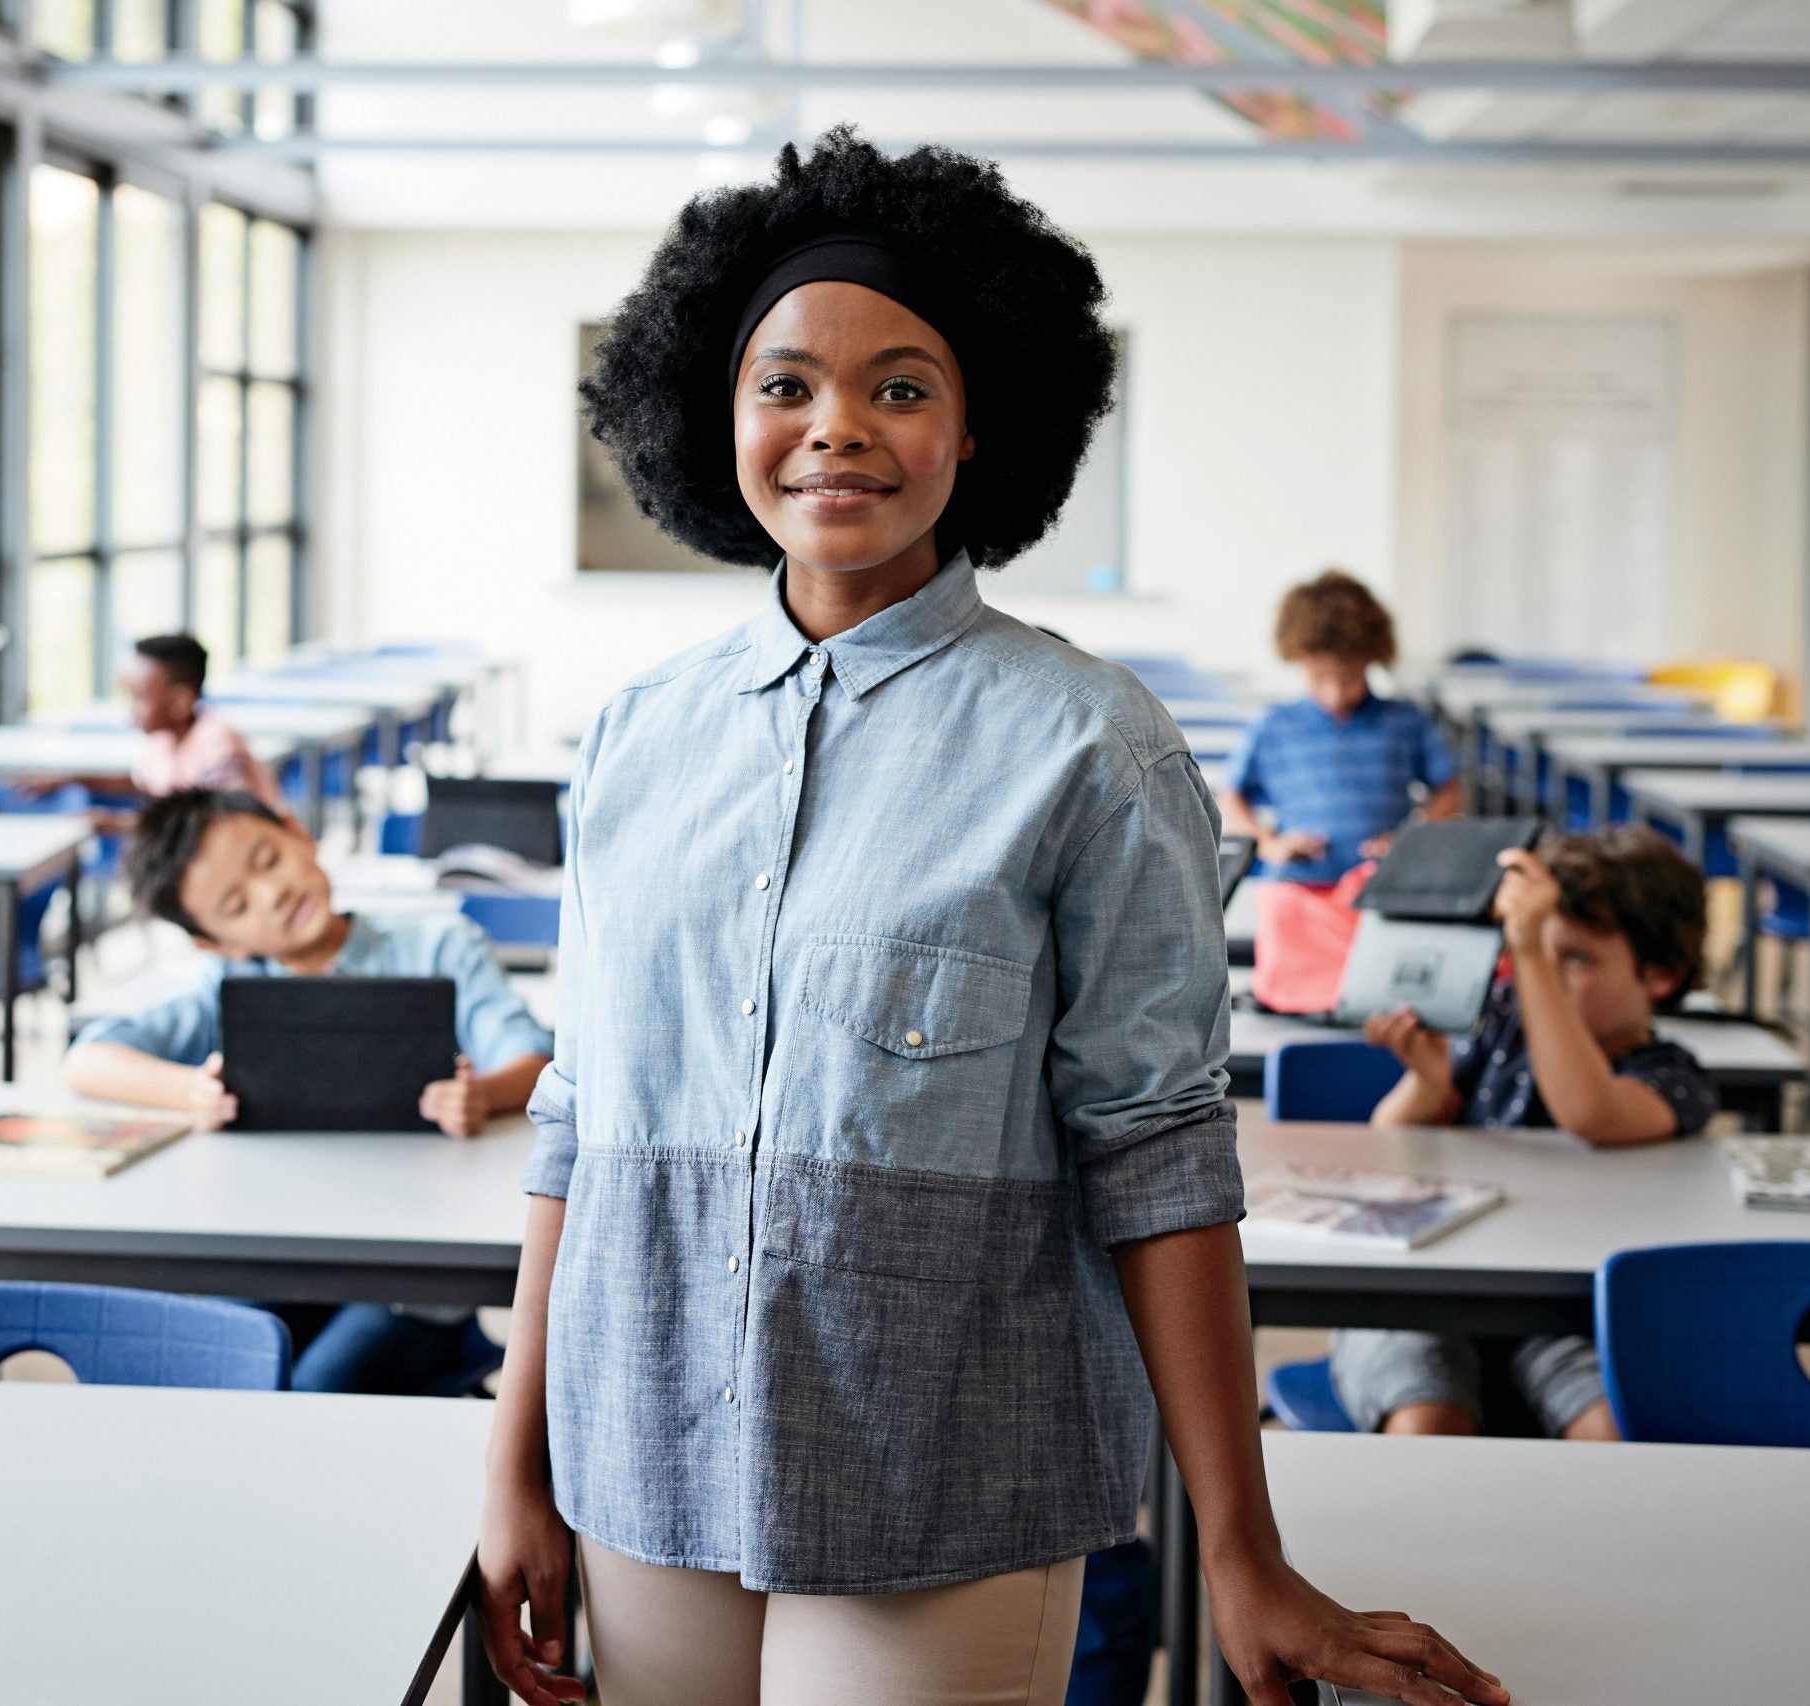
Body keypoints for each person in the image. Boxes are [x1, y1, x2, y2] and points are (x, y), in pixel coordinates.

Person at [474, 130, 1504, 1706]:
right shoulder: (637, 735)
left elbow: (1159, 1146)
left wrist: (1240, 1547)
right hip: (641, 1438)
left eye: (900, 386)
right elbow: (581, 1117)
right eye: (786, 385)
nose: (836, 430)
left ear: (974, 430)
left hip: (943, 1462)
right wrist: (516, 1464)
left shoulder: (1090, 742)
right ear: (717, 414)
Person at [61, 787, 553, 1392]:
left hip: (413, 1275)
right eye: (237, 905)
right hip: (280, 1260)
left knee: (320, 1388)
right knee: (210, 1374)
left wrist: (484, 1094)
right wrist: (191, 1089)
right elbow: (87, 1061)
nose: (272, 895)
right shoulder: (230, 984)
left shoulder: (439, 946)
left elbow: (533, 1061)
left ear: (298, 832)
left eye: (267, 859)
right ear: (215, 942)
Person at [1332, 826, 1717, 1440]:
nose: (1539, 975)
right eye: (1541, 953)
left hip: (1571, 1318)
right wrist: (1428, 1088)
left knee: (1609, 1429)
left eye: (1579, 959)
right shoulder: (1499, 1024)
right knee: (1425, 1420)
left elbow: (1588, 1114)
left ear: (1661, 976)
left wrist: (1532, 950)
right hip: (1427, 1301)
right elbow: (1390, 1147)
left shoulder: (1672, 1076)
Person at [1220, 569, 1460, 883]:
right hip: (1298, 887)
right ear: (1300, 661)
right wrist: (1269, 845)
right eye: (1319, 678)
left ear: (1370, 661)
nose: (1334, 695)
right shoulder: (1273, 726)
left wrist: (1412, 839)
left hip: (1385, 883)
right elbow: (1230, 797)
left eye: (1350, 679)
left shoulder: (1405, 721)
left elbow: (1450, 790)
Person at [12, 633, 289, 824]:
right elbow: (146, 782)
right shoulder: (165, 738)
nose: (130, 709)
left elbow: (221, 823)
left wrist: (120, 824)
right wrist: (71, 778)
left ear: (179, 702)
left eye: (139, 697)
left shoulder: (217, 744)